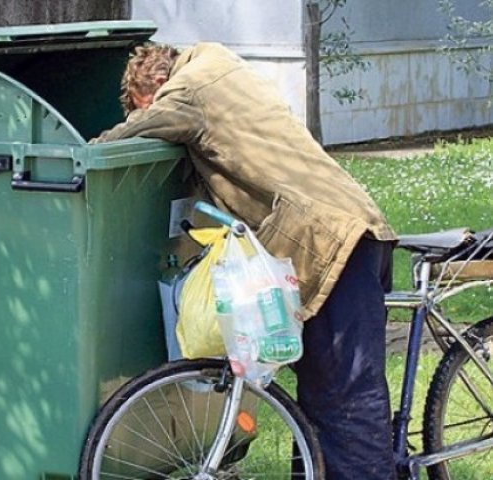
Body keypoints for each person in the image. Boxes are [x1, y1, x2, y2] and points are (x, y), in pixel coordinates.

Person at [93, 42, 399, 479]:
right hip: (346, 231)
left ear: (157, 85)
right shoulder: (226, 70)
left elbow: (126, 136)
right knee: (323, 402)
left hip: (330, 241)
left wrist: (82, 151)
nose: (150, 111)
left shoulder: (187, 90)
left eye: (146, 105)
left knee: (344, 403)